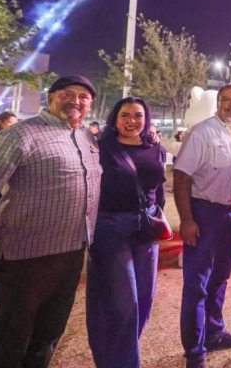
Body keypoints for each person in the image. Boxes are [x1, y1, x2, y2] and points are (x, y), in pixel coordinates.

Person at [0, 75, 101, 367]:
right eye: (68, 94)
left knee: (47, 335)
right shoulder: (20, 135)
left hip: (70, 255)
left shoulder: (86, 138)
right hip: (24, 260)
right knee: (11, 342)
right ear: (51, 97)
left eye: (83, 97)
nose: (76, 101)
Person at [173, 83, 231, 368]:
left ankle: (214, 332)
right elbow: (181, 177)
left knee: (220, 277)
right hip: (204, 213)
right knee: (196, 284)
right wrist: (186, 219)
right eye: (226, 100)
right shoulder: (203, 132)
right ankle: (194, 352)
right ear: (217, 103)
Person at [86, 96, 166, 367]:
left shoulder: (155, 147)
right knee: (123, 304)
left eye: (138, 115)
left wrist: (158, 217)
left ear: (147, 119)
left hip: (146, 229)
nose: (132, 121)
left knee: (144, 299)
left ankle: (114, 357)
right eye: (125, 115)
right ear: (115, 118)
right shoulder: (100, 148)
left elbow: (159, 188)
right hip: (110, 227)